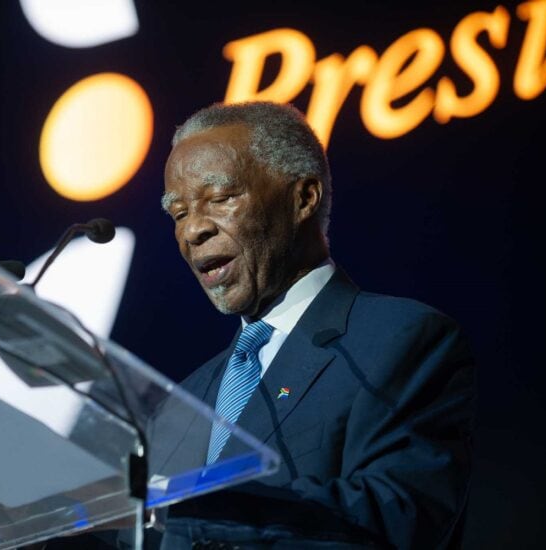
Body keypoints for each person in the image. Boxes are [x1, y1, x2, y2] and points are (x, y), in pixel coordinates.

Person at [156, 102, 475, 549]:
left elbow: (397, 517)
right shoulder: (183, 401)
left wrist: (205, 510)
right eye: (179, 213)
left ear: (304, 198)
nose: (193, 231)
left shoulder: (401, 341)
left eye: (222, 198)